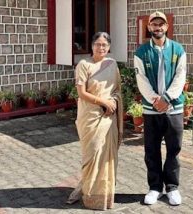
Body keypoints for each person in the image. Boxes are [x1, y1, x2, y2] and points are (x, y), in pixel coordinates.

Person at [134, 11, 186, 206]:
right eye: (154, 24)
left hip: (174, 108)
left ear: (166, 27)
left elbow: (180, 77)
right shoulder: (141, 52)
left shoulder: (178, 50)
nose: (158, 27)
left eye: (161, 24)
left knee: (174, 149)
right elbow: (142, 80)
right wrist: (156, 100)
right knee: (151, 150)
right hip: (151, 109)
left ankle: (172, 187)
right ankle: (155, 188)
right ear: (149, 27)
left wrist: (167, 98)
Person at [66, 32, 123, 210]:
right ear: (92, 46)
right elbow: (81, 93)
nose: (101, 48)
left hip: (108, 117)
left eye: (104, 45)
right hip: (90, 117)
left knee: (106, 157)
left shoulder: (112, 64)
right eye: (97, 44)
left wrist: (112, 101)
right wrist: (103, 102)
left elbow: (117, 90)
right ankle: (89, 195)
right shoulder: (84, 65)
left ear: (109, 47)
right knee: (91, 155)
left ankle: (103, 195)